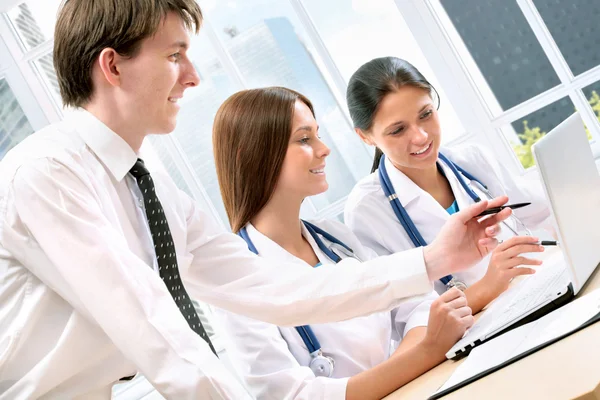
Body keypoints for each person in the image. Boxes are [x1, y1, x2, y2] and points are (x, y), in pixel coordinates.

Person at [0, 2, 508, 398]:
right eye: (174, 55)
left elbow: (276, 288)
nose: (193, 76)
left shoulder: (146, 181)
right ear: (112, 66)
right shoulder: (48, 175)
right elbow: (157, 334)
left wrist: (433, 260)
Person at [212, 86, 475, 400]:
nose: (324, 149)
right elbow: (296, 397)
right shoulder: (236, 283)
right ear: (252, 154)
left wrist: (402, 371)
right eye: (304, 138)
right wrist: (425, 353)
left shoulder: (336, 238)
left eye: (318, 135)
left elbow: (418, 308)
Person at [344, 57, 552, 313]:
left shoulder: (472, 159)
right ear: (365, 136)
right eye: (398, 130)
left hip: (537, 294)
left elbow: (545, 209)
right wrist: (489, 285)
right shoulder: (367, 210)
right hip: (479, 335)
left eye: (426, 114)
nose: (421, 136)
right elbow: (414, 321)